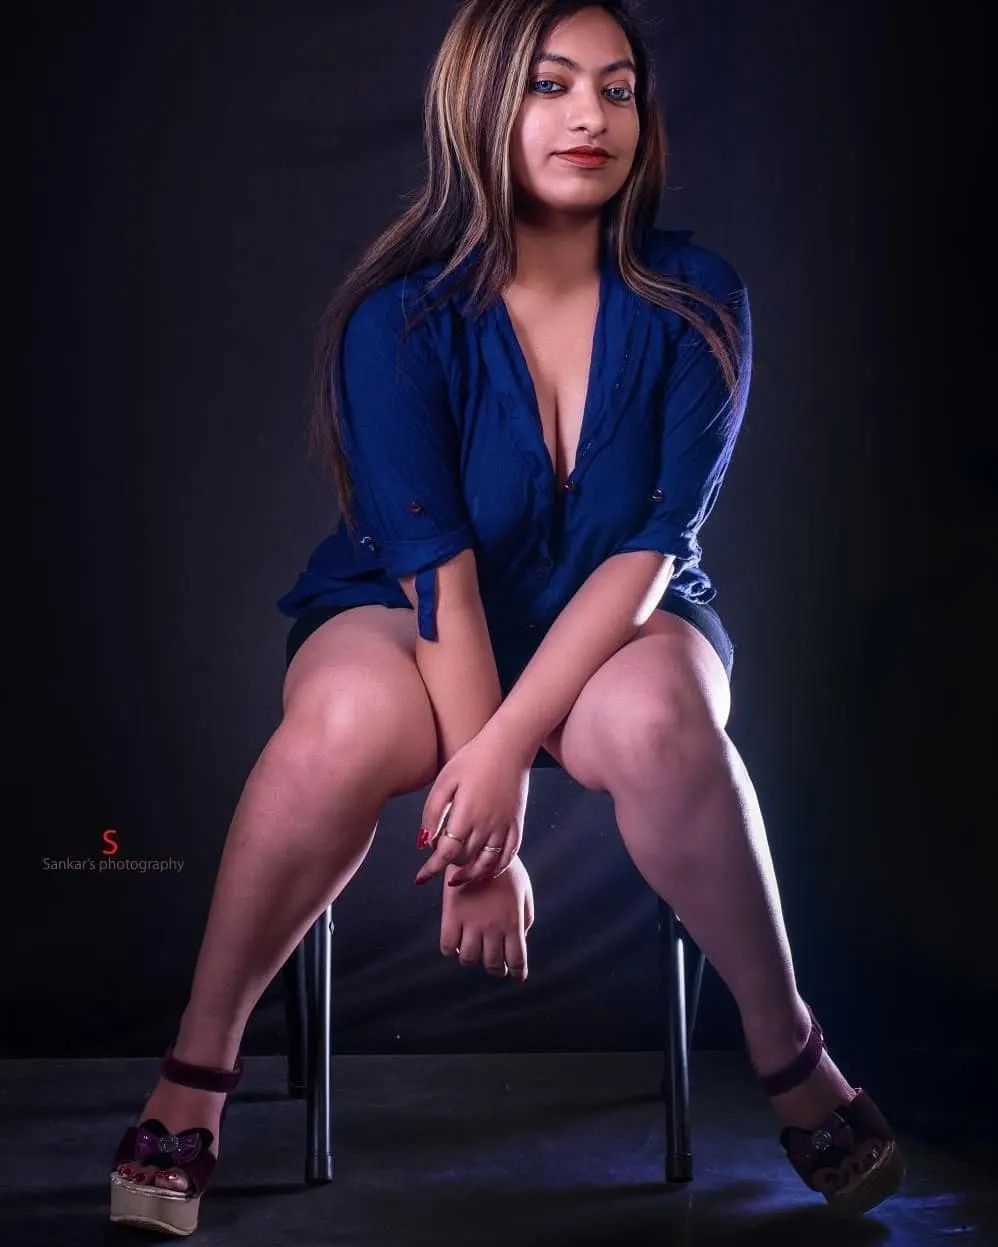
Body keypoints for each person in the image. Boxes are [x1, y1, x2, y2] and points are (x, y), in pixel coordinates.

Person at [109, 0, 905, 1233]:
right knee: (340, 718)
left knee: (660, 716)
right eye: (550, 84)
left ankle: (790, 1048)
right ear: (480, 104)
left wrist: (497, 780)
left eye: (616, 87)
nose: (591, 115)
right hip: (412, 606)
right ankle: (195, 1071)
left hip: (625, 607)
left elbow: (650, 548)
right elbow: (441, 578)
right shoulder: (398, 318)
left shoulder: (698, 300)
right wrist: (482, 842)